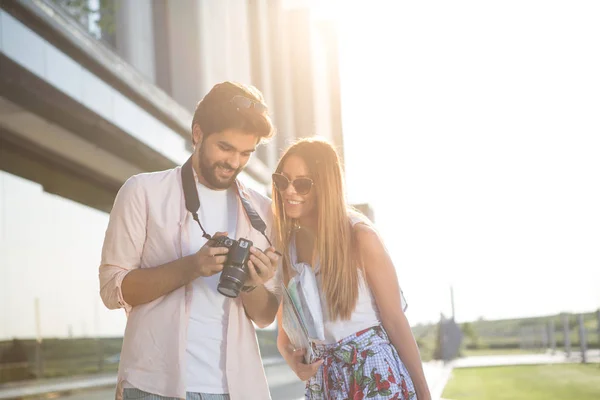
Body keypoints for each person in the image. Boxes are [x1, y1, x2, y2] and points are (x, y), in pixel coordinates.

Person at [99, 82, 282, 400]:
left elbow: (265, 317)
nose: (234, 162)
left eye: (245, 153)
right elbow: (112, 290)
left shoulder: (263, 211)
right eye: (225, 148)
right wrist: (192, 267)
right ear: (197, 133)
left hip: (236, 390)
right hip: (152, 385)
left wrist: (251, 284)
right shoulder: (142, 192)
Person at [272, 138, 431, 400]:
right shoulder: (286, 250)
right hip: (324, 382)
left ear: (324, 186)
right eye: (282, 181)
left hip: (373, 374)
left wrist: (424, 395)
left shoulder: (360, 236)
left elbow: (395, 320)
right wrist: (293, 361)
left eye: (301, 183)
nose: (288, 191)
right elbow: (284, 335)